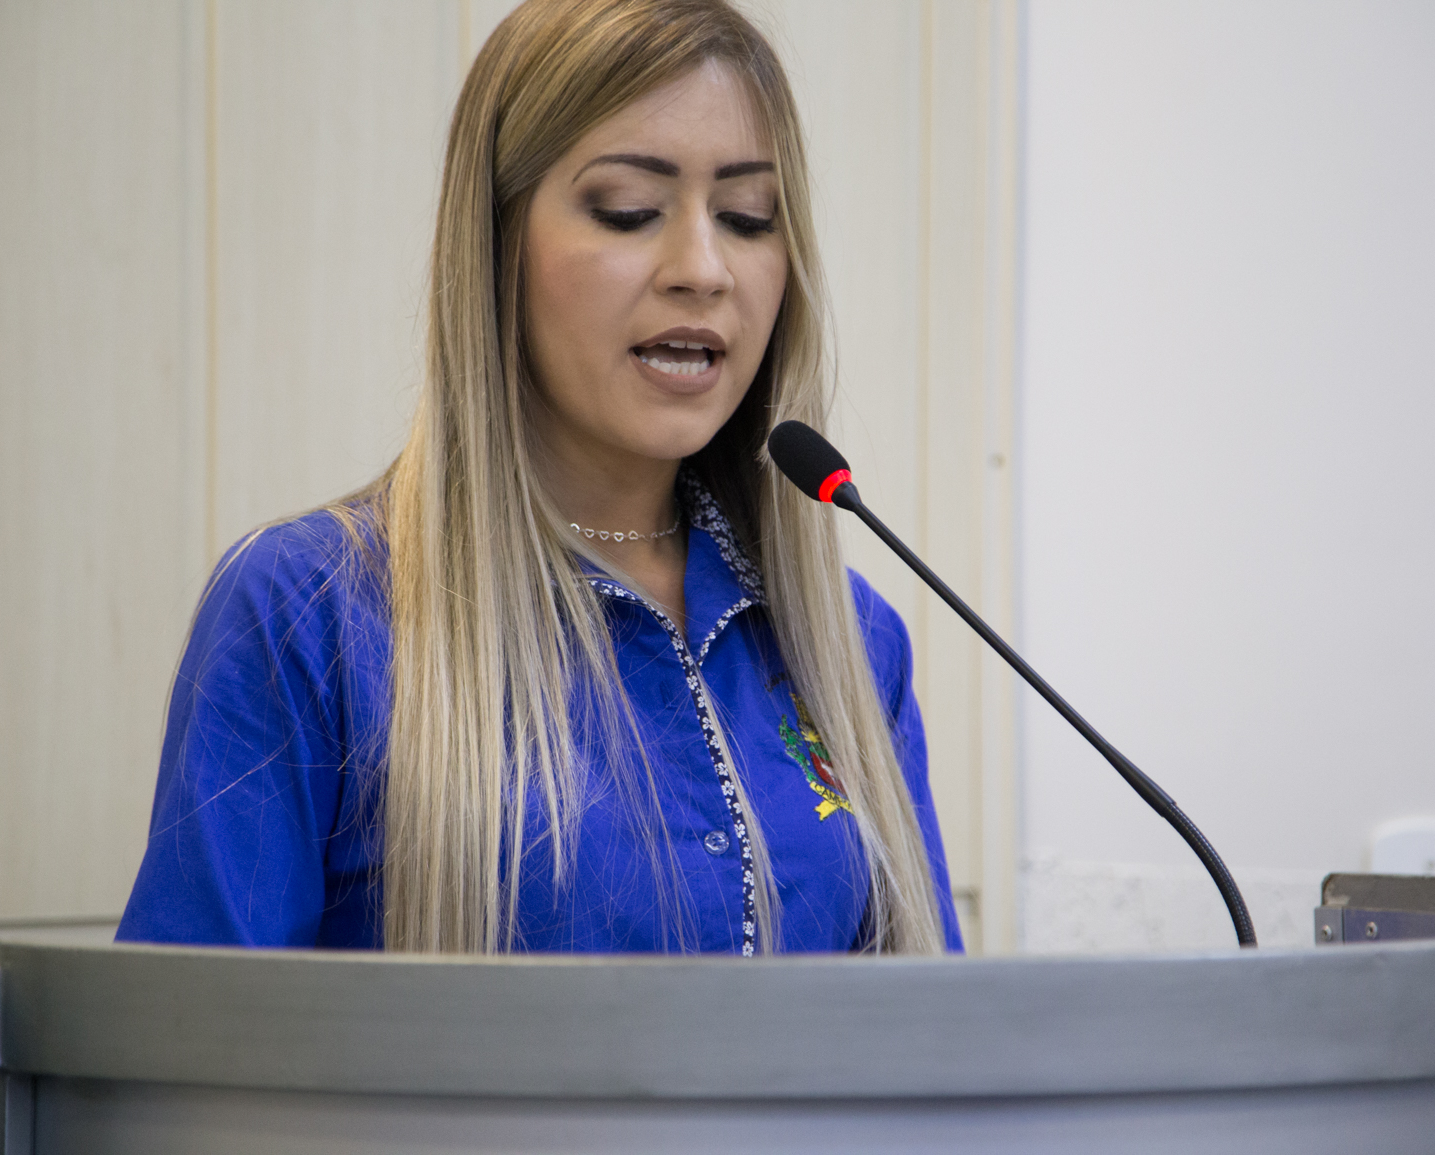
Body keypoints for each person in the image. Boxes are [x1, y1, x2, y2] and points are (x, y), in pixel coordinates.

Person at [117, 0, 963, 957]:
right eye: (628, 210)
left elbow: (933, 1029)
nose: (703, 269)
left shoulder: (851, 639)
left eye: (747, 218)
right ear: (497, 242)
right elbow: (188, 1040)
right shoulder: (308, 613)